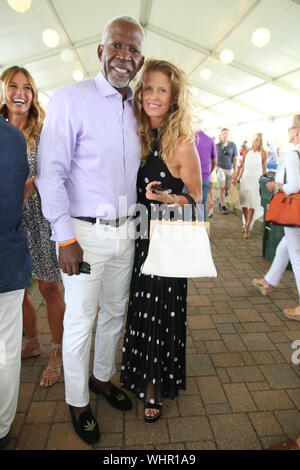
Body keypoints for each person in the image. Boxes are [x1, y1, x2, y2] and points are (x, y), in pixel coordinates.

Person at [35, 16, 145, 444]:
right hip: (83, 236)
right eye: (116, 46)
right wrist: (64, 237)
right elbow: (51, 173)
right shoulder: (70, 99)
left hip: (126, 231)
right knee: (80, 320)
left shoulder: (136, 106)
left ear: (140, 59)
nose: (124, 56)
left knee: (114, 313)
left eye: (133, 50)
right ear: (100, 50)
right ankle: (78, 401)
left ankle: (102, 378)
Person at [120, 59, 202, 423]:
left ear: (174, 99)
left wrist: (169, 199)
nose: (153, 96)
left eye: (162, 90)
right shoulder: (138, 135)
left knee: (159, 313)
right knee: (139, 310)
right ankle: (139, 374)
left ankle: (155, 388)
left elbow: (199, 198)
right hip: (139, 239)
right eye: (148, 88)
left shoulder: (182, 145)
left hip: (166, 242)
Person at [0, 66, 65, 389]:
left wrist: (28, 184)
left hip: (40, 218)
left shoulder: (44, 133)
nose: (20, 93)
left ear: (34, 94)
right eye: (13, 86)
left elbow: (58, 170)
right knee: (15, 288)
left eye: (26, 87)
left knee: (49, 287)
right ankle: (34, 341)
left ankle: (57, 351)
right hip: (8, 223)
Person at [0, 80, 32, 448]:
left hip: (10, 252)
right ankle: (2, 428)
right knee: (7, 349)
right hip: (9, 252)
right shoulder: (13, 138)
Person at [252, 114, 300, 322]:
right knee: (286, 244)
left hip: (294, 210)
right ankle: (268, 281)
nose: (288, 130)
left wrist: (276, 186)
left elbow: (293, 186)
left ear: (296, 130)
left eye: (291, 127)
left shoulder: (292, 156)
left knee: (296, 255)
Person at [234, 133, 267, 239]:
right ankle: (246, 223)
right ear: (253, 140)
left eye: (259, 140)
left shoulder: (263, 153)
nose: (257, 142)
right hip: (245, 179)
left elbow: (264, 168)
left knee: (252, 204)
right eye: (256, 139)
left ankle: (247, 226)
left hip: (255, 181)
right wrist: (236, 178)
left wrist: (265, 180)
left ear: (261, 142)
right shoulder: (247, 151)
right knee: (244, 203)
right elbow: (241, 165)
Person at [195, 129, 217, 220]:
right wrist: (209, 172)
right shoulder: (210, 140)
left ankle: (187, 230)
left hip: (189, 178)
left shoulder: (188, 139)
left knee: (187, 205)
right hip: (204, 177)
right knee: (201, 205)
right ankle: (201, 232)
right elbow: (214, 161)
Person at [216, 128, 239, 214]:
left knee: (227, 190)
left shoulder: (233, 145)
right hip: (220, 169)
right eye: (223, 134)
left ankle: (220, 199)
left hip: (229, 170)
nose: (225, 135)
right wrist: (215, 168)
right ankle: (222, 205)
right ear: (221, 135)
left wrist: (235, 170)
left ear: (229, 135)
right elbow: (213, 158)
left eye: (227, 134)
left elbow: (235, 158)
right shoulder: (217, 145)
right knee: (221, 188)